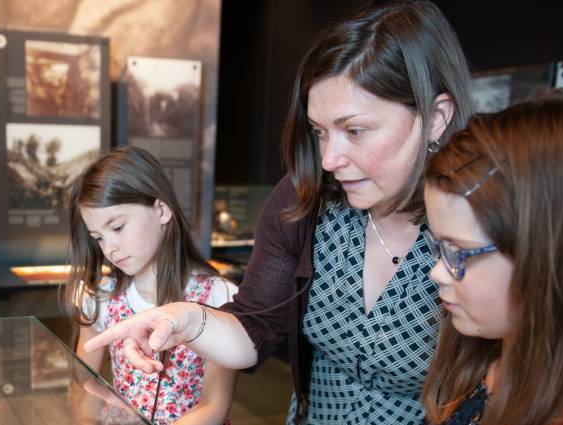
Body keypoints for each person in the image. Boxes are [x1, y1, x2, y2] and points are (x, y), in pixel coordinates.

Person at [82, 1, 476, 423]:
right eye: (320, 133)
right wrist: (187, 318)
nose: (329, 159)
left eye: (356, 131)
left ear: (436, 118)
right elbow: (256, 326)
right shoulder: (304, 199)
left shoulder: (483, 217)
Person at [420, 89, 563, 424]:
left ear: (554, 256)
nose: (437, 272)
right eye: (438, 246)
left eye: (459, 251)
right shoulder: (483, 355)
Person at [62, 146, 239, 424]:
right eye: (98, 237)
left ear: (161, 210)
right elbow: (82, 386)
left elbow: (214, 404)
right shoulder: (102, 297)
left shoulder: (218, 296)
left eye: (118, 227)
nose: (110, 248)